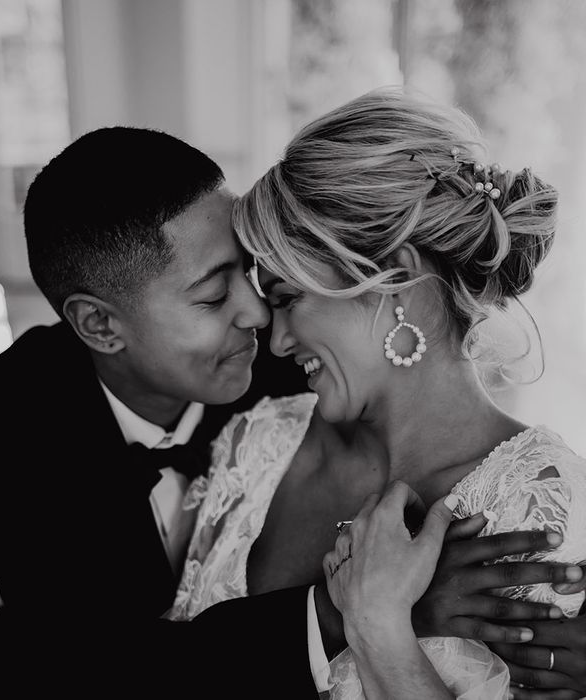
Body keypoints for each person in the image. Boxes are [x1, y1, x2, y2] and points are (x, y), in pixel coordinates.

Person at [0, 125, 579, 699]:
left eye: (263, 280)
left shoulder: (300, 362)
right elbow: (103, 672)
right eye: (214, 296)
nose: (259, 321)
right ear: (100, 325)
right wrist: (360, 614)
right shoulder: (0, 427)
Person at [167, 87, 586, 699]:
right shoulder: (260, 440)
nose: (274, 338)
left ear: (399, 283)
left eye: (288, 298)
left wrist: (377, 626)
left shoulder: (543, 508)